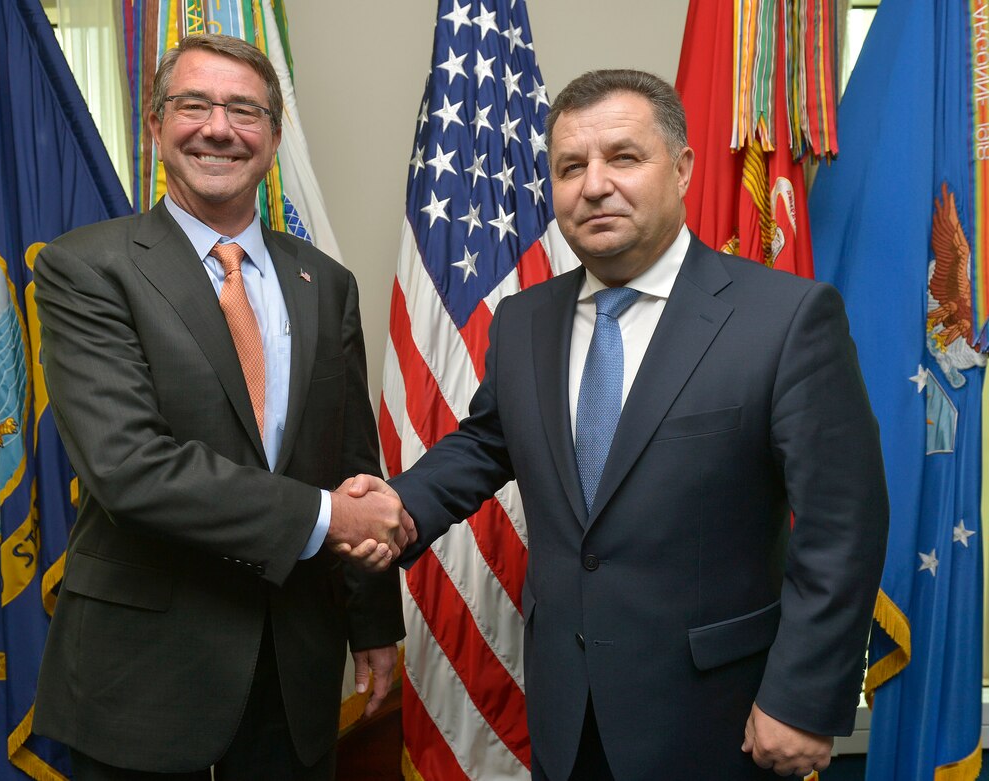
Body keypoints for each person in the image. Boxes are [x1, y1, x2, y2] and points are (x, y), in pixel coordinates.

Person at [349, 69, 888, 780]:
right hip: (566, 711)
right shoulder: (524, 320)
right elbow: (489, 440)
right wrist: (402, 505)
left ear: (684, 167)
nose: (593, 185)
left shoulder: (786, 318)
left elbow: (842, 524)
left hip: (720, 716)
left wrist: (804, 696)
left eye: (623, 158)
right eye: (571, 166)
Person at [32, 33, 412, 781]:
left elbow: (351, 461)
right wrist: (331, 517)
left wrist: (372, 623)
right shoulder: (86, 269)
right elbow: (129, 468)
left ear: (273, 137)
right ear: (155, 125)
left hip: (294, 663)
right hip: (143, 675)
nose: (218, 127)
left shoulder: (324, 282)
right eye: (194, 105)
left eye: (244, 110)